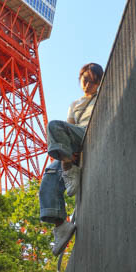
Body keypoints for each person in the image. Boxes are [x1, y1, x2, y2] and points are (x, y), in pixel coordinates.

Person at [39, 62, 104, 255]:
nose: (88, 85)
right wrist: (67, 150)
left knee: (53, 126)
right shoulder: (75, 104)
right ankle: (61, 225)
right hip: (74, 139)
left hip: (89, 131)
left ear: (99, 81)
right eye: (85, 80)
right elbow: (68, 126)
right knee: (49, 175)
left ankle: (68, 169)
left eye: (93, 81)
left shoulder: (103, 95)